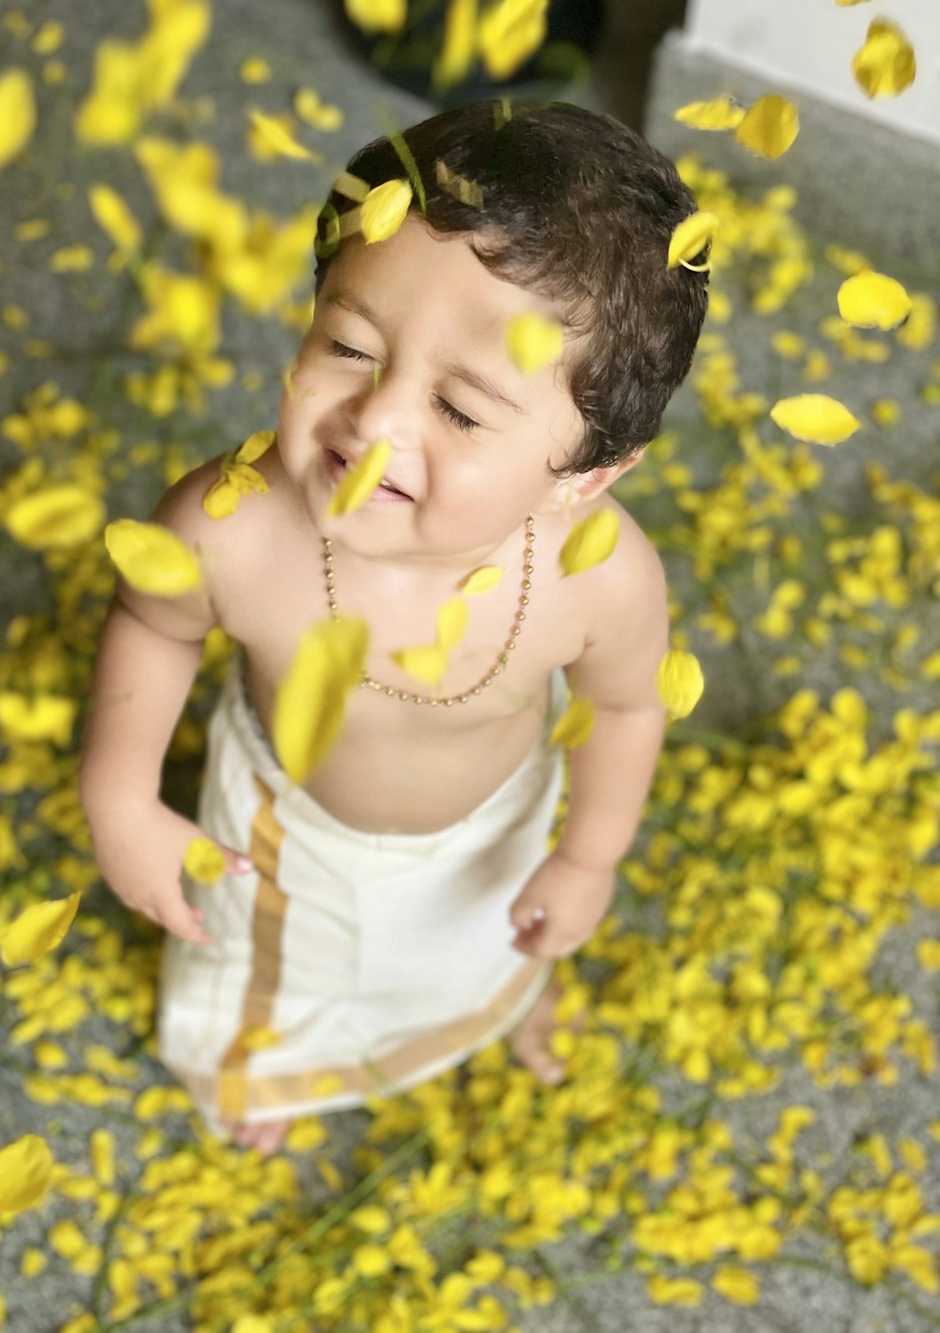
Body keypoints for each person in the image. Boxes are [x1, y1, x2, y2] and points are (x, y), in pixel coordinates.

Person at [79, 101, 708, 1156]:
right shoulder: (230, 524)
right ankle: (266, 1056)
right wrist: (121, 797)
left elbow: (625, 703)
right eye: (349, 346)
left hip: (489, 839)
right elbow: (151, 620)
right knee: (268, 961)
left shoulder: (598, 579)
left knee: (480, 947)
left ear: (588, 475)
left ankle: (494, 1006)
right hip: (285, 831)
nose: (373, 423)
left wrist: (588, 858)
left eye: (460, 412)